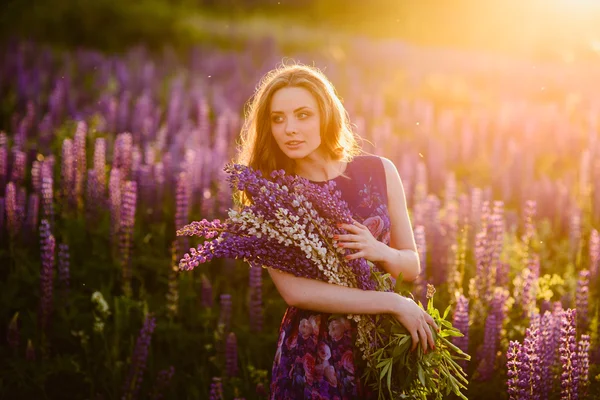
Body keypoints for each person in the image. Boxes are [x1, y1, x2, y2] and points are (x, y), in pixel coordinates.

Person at [235, 62, 439, 399]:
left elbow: (411, 266)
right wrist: (392, 302)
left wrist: (381, 252)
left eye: (303, 115)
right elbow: (295, 292)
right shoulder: (271, 194)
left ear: (326, 116)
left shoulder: (379, 171)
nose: (289, 129)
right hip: (316, 353)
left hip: (383, 345)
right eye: (278, 118)